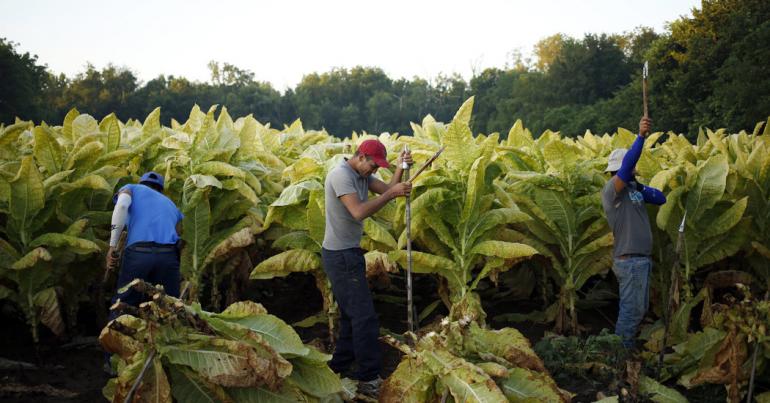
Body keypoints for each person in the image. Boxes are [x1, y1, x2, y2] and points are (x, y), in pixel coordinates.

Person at [322, 139, 412, 397]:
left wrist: (401, 167)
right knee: (365, 318)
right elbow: (358, 212)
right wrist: (392, 194)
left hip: (350, 252)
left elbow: (389, 188)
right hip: (340, 256)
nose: (374, 171)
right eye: (373, 165)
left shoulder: (362, 174)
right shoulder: (341, 176)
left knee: (352, 317)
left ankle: (338, 367)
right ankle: (369, 380)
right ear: (361, 157)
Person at [601, 117, 666, 349]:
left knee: (638, 310)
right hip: (629, 262)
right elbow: (628, 165)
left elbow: (661, 197)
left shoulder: (632, 190)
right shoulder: (612, 192)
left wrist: (638, 185)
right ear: (618, 172)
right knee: (630, 312)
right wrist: (640, 136)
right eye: (627, 172)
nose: (632, 173)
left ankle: (623, 355)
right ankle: (619, 358)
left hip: (641, 261)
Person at [107, 171, 184, 312]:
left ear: (141, 183)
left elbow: (122, 206)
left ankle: (115, 331)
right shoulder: (172, 205)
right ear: (161, 189)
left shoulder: (131, 188)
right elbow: (179, 232)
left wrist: (112, 245)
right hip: (168, 257)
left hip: (139, 254)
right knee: (169, 307)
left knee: (124, 303)